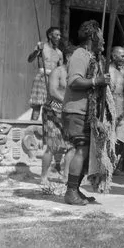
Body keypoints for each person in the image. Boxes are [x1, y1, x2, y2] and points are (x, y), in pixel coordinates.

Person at [61, 20, 110, 206]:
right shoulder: (80, 55)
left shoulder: (93, 57)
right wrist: (97, 81)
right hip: (76, 110)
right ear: (92, 36)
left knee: (87, 150)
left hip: (87, 112)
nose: (103, 39)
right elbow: (74, 82)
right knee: (81, 149)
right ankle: (70, 191)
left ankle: (76, 189)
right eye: (100, 34)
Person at [40, 44, 76, 188]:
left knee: (72, 146)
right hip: (52, 113)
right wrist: (68, 102)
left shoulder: (76, 74)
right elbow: (54, 92)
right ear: (68, 57)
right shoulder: (57, 71)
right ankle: (43, 176)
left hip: (69, 113)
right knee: (52, 146)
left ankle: (66, 176)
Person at [27, 26, 64, 121]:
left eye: (60, 35)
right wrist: (37, 50)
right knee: (37, 108)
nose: (59, 37)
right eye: (57, 35)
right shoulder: (42, 47)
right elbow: (30, 59)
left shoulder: (59, 53)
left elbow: (61, 70)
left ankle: (49, 131)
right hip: (41, 78)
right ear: (50, 36)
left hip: (53, 81)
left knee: (54, 108)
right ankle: (32, 130)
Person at [109, 46, 124, 174]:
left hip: (122, 109)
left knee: (120, 139)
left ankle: (114, 163)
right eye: (122, 56)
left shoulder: (123, 72)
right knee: (109, 137)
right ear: (114, 56)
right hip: (111, 108)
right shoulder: (108, 70)